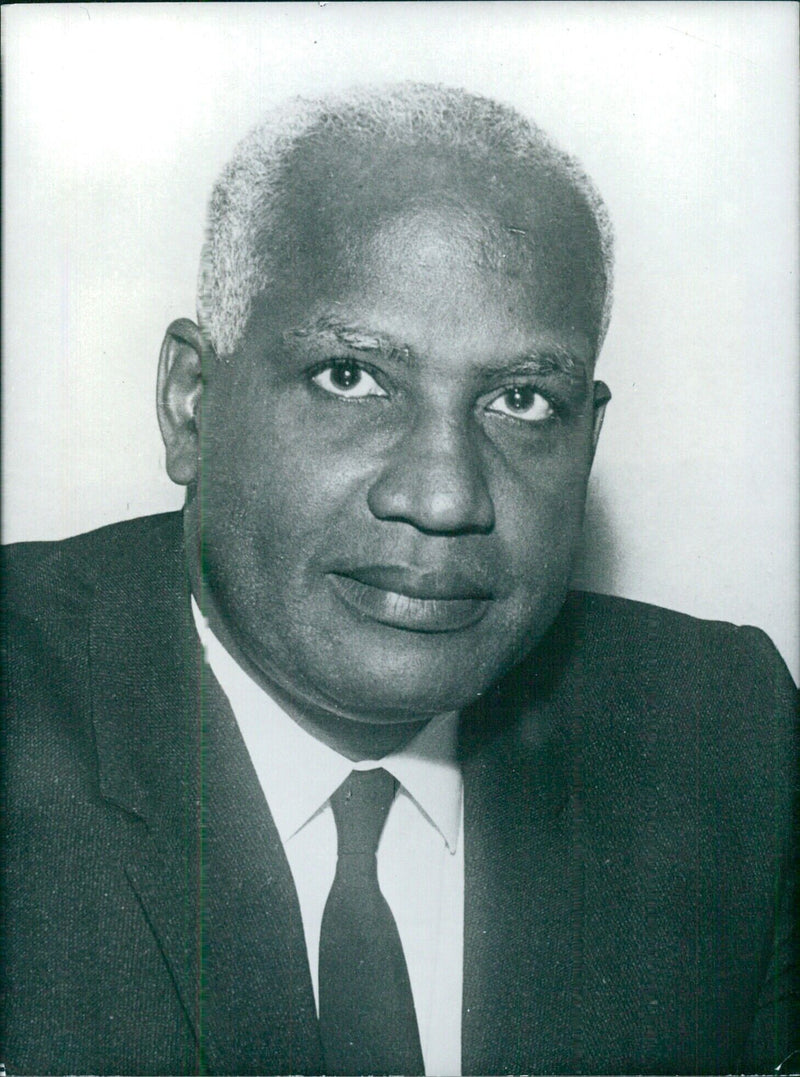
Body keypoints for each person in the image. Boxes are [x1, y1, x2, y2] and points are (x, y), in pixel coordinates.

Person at [1, 83, 797, 1077]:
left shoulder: (721, 738)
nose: (443, 494)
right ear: (189, 402)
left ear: (586, 441)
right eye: (352, 377)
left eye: (519, 399)